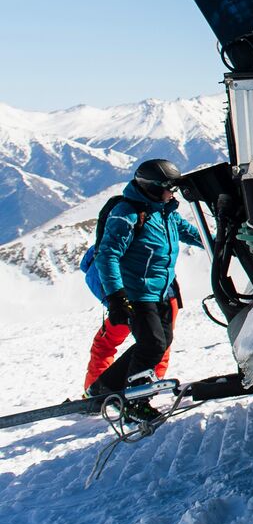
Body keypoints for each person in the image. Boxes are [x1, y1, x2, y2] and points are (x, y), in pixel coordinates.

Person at [87, 159, 204, 403]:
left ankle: (103, 389)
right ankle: (135, 402)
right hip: (136, 294)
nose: (172, 193)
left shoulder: (165, 212)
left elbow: (191, 233)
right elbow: (107, 255)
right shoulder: (127, 214)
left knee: (160, 343)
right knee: (151, 345)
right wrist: (116, 297)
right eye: (168, 187)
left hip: (161, 292)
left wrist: (223, 243)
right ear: (151, 187)